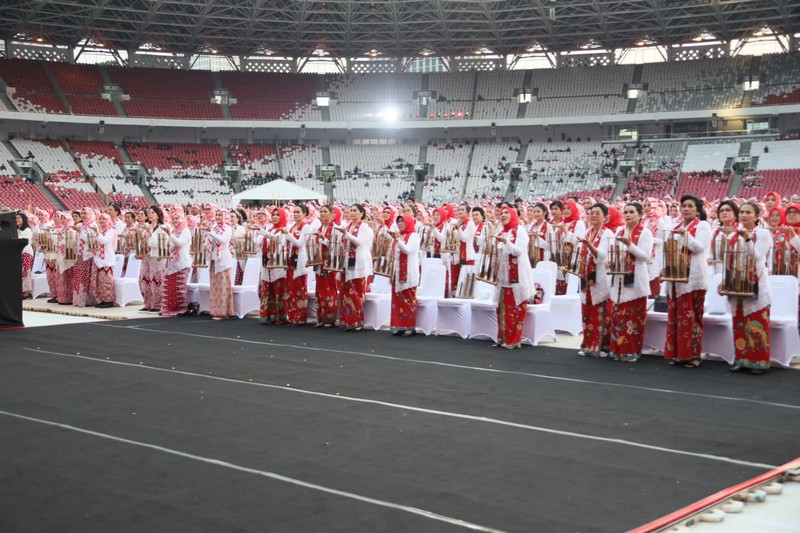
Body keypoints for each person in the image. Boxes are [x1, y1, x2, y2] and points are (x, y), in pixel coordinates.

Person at [721, 202, 772, 374]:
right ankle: (742, 359)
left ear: (757, 216)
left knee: (756, 322)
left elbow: (757, 256)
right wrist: (725, 282)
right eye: (741, 212)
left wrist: (747, 238)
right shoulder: (732, 236)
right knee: (739, 322)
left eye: (748, 212)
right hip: (737, 284)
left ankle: (759, 361)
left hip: (756, 283)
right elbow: (728, 262)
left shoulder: (763, 233)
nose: (743, 215)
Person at [664, 195, 711, 368]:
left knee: (692, 317)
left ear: (698, 210)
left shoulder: (703, 225)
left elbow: (699, 247)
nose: (685, 209)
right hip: (676, 278)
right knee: (676, 317)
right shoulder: (676, 226)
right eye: (683, 206)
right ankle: (678, 354)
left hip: (693, 278)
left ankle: (693, 355)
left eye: (690, 206)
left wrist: (685, 236)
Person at [608, 203, 653, 363]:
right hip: (619, 279)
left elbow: (645, 257)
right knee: (618, 317)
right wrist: (610, 261)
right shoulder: (620, 231)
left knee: (632, 318)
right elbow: (614, 253)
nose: (627, 215)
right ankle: (616, 350)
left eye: (631, 212)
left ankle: (631, 351)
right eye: (625, 212)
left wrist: (629, 245)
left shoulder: (645, 233)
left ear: (640, 215)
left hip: (636, 281)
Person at [493, 205, 533, 349]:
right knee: (502, 309)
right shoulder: (502, 231)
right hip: (504, 277)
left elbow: (518, 252)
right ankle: (503, 338)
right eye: (501, 213)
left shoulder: (520, 230)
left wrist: (506, 242)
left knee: (515, 310)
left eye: (506, 213)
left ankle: (513, 340)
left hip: (517, 278)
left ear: (513, 215)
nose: (502, 215)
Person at [577, 203, 614, 357]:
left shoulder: (608, 234)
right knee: (587, 311)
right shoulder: (588, 232)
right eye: (591, 213)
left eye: (597, 213)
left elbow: (602, 256)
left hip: (600, 278)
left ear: (605, 217)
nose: (593, 215)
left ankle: (601, 346)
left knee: (601, 311)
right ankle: (587, 344)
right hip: (587, 277)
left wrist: (589, 245)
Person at [336, 204, 374, 331]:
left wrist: (346, 234)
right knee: (345, 292)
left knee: (355, 293)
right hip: (347, 263)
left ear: (362, 213)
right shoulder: (348, 226)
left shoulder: (365, 227)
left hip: (358, 263)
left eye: (354, 211)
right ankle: (347, 320)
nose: (351, 213)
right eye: (350, 211)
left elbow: (359, 242)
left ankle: (357, 321)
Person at [389, 213, 421, 336]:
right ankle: (399, 325)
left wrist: (396, 239)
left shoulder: (414, 236)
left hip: (409, 273)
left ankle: (409, 326)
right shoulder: (400, 236)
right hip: (398, 272)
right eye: (399, 221)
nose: (400, 223)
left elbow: (407, 250)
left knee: (408, 300)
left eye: (402, 221)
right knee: (397, 300)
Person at [282, 203, 312, 326]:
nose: (295, 214)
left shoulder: (306, 227)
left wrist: (288, 235)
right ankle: (291, 315)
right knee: (290, 288)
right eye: (294, 212)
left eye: (298, 212)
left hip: (299, 260)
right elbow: (285, 242)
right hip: (290, 259)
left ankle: (300, 317)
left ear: (304, 214)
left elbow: (300, 244)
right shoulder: (291, 226)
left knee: (299, 288)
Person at [258, 208, 288, 325]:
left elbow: (280, 242)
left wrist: (263, 232)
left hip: (278, 261)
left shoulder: (283, 230)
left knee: (278, 289)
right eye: (273, 215)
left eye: (277, 215)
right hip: (267, 262)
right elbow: (259, 243)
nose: (275, 217)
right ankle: (268, 315)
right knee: (268, 288)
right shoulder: (269, 229)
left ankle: (279, 315)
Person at [160, 209, 192, 317]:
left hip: (182, 262)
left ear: (182, 219)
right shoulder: (173, 231)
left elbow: (180, 243)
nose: (175, 220)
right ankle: (170, 308)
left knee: (179, 287)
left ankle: (181, 309)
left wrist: (170, 235)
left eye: (177, 218)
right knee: (170, 286)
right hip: (172, 263)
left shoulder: (186, 231)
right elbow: (171, 247)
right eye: (173, 219)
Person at [205, 208, 234, 320]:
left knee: (223, 287)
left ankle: (223, 312)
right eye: (216, 215)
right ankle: (215, 310)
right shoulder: (214, 228)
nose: (217, 217)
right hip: (213, 259)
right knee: (215, 287)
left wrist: (211, 232)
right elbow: (209, 242)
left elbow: (222, 240)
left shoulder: (228, 229)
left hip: (223, 260)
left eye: (220, 215)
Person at [314, 205, 341, 327]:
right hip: (319, 262)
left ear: (332, 214)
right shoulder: (320, 228)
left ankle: (330, 318)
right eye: (321, 212)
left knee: (329, 290)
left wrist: (323, 240)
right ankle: (321, 317)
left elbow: (336, 246)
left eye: (325, 212)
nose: (323, 214)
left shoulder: (335, 228)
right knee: (319, 290)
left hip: (330, 263)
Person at [140, 205, 167, 313]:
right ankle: (148, 303)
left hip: (156, 256)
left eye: (152, 212)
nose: (150, 214)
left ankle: (157, 304)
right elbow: (142, 241)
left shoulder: (163, 227)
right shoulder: (148, 226)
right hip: (146, 256)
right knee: (144, 280)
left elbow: (157, 243)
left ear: (158, 215)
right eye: (149, 212)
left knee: (156, 280)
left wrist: (149, 233)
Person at [90, 213, 117, 308]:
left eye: (103, 219)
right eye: (100, 219)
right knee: (98, 281)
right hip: (98, 258)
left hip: (107, 259)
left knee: (106, 281)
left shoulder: (111, 231)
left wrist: (97, 233)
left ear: (108, 220)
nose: (101, 221)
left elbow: (104, 241)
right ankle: (101, 299)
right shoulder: (100, 231)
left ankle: (108, 301)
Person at [73, 208, 98, 308]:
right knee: (78, 277)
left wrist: (80, 233)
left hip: (88, 255)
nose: (83, 215)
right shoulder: (80, 225)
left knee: (85, 277)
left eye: (85, 213)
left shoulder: (93, 225)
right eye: (82, 213)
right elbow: (76, 240)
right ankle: (78, 300)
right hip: (79, 254)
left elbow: (90, 242)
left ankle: (87, 300)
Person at [17, 212, 34, 300]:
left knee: (25, 272)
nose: (17, 220)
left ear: (23, 219)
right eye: (16, 218)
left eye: (19, 218)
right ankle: (20, 290)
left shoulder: (27, 230)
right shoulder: (17, 230)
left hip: (26, 253)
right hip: (18, 253)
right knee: (20, 272)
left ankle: (26, 293)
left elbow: (23, 241)